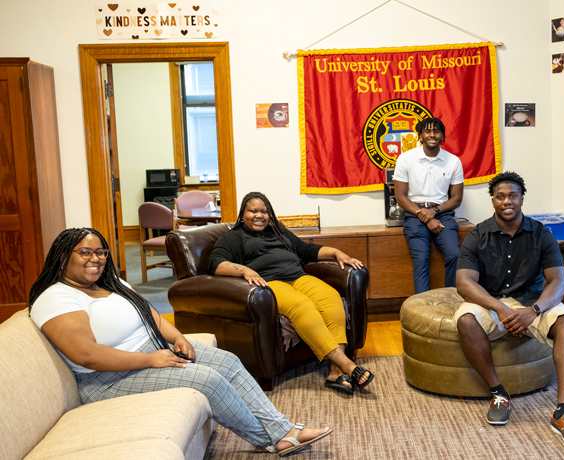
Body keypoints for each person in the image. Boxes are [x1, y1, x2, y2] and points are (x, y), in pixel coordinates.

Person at [28, 227, 331, 456]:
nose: (96, 259)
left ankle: (283, 428)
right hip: (105, 378)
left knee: (228, 360)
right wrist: (151, 359)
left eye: (101, 252)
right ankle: (271, 440)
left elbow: (148, 313)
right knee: (208, 381)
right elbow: (87, 355)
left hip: (149, 350)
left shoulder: (110, 282)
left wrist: (176, 337)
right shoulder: (56, 298)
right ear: (62, 256)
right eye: (85, 252)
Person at [454, 172, 564, 446]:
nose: (507, 201)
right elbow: (464, 283)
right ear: (493, 200)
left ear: (522, 198)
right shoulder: (477, 235)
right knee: (466, 319)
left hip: (533, 301)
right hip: (491, 301)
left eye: (512, 195)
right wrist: (499, 308)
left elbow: (559, 281)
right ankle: (498, 393)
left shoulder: (541, 233)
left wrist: (535, 309)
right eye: (500, 196)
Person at [208, 191, 373, 396]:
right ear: (243, 215)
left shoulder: (279, 232)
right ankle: (346, 364)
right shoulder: (233, 237)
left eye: (264, 211)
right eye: (253, 211)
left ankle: (335, 372)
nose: (259, 215)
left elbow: (307, 250)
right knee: (302, 306)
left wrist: (337, 253)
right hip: (269, 284)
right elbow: (216, 263)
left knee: (331, 299)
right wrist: (244, 270)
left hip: (299, 277)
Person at [394, 117, 464, 294]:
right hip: (414, 213)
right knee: (421, 260)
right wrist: (424, 216)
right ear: (420, 135)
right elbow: (400, 197)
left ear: (442, 136)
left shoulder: (453, 161)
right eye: (428, 131)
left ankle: (450, 301)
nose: (432, 135)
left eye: (436, 131)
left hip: (443, 213)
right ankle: (422, 308)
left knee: (455, 255)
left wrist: (434, 211)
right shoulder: (406, 159)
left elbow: (456, 199)